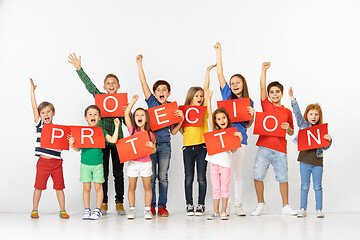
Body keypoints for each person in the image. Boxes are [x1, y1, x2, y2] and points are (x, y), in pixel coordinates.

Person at [68, 53, 126, 215]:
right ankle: (104, 203)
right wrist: (79, 69)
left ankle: (119, 202)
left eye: (114, 82)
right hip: (100, 142)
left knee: (118, 174)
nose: (111, 84)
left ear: (118, 86)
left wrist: (127, 111)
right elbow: (90, 86)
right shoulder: (100, 98)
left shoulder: (121, 102)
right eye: (108, 83)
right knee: (104, 174)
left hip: (117, 141)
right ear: (105, 86)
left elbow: (128, 122)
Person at [136, 54, 184, 217]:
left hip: (164, 145)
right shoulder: (152, 103)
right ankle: (151, 205)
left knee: (162, 177)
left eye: (164, 89)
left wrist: (180, 119)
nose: (161, 91)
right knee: (150, 177)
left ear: (169, 92)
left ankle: (162, 206)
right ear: (155, 93)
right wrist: (139, 64)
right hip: (149, 145)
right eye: (158, 90)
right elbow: (144, 83)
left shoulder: (172, 107)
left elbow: (173, 131)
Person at [214, 42, 255, 216]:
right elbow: (220, 73)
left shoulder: (249, 102)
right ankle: (226, 205)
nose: (234, 85)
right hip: (224, 139)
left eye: (237, 82)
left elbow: (247, 125)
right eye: (232, 83)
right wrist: (219, 52)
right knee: (224, 174)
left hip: (241, 139)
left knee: (237, 174)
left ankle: (237, 204)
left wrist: (252, 116)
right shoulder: (226, 96)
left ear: (243, 84)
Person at [252, 62, 297, 216]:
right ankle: (260, 203)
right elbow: (261, 86)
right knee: (257, 175)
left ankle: (285, 206)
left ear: (282, 94)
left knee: (283, 177)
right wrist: (263, 70)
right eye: (272, 92)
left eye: (277, 92)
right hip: (264, 147)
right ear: (269, 94)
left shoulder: (287, 111)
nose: (275, 94)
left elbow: (291, 132)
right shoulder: (266, 106)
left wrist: (288, 128)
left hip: (280, 149)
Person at [68, 105, 120, 220]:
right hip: (85, 164)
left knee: (98, 187)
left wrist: (117, 127)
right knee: (86, 188)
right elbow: (78, 149)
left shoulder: (101, 131)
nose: (93, 116)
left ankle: (98, 210)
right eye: (90, 114)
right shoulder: (82, 132)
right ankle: (87, 209)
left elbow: (113, 140)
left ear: (100, 117)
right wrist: (71, 143)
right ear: (86, 118)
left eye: (96, 114)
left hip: (98, 165)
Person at [289, 87, 332, 218]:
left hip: (317, 162)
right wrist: (292, 99)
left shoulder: (321, 129)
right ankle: (303, 208)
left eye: (316, 114)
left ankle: (319, 209)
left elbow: (325, 147)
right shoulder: (303, 125)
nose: (314, 117)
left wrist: (329, 140)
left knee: (318, 186)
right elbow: (296, 113)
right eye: (311, 114)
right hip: (304, 161)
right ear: (307, 115)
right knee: (304, 186)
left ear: (320, 117)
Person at [30, 78, 69, 219]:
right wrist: (32, 91)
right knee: (39, 186)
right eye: (43, 113)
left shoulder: (59, 129)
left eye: (48, 112)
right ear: (40, 116)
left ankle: (62, 210)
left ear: (53, 113)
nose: (46, 114)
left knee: (59, 187)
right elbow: (34, 107)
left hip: (57, 162)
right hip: (43, 162)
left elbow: (65, 144)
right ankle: (34, 209)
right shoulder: (40, 125)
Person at [179, 64, 216, 216]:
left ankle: (201, 204)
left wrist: (207, 72)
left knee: (201, 177)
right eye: (197, 96)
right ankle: (189, 204)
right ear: (191, 97)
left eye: (201, 96)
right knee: (189, 178)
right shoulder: (184, 112)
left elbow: (206, 89)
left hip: (202, 147)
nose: (200, 98)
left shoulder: (204, 111)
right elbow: (181, 129)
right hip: (188, 148)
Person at [204, 89, 243, 220]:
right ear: (215, 121)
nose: (222, 120)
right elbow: (209, 113)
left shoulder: (231, 132)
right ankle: (215, 211)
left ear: (227, 119)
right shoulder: (215, 130)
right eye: (219, 119)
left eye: (224, 118)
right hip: (214, 163)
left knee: (225, 187)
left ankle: (223, 211)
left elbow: (233, 151)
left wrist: (239, 140)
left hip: (225, 164)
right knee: (215, 188)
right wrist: (208, 98)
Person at [123, 95, 157, 220]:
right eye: (137, 115)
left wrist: (151, 145)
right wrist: (133, 101)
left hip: (146, 163)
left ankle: (147, 210)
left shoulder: (151, 134)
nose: (139, 117)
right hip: (133, 163)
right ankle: (132, 210)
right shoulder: (132, 129)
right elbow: (126, 114)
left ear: (146, 119)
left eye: (142, 115)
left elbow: (154, 150)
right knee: (132, 186)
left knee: (147, 187)